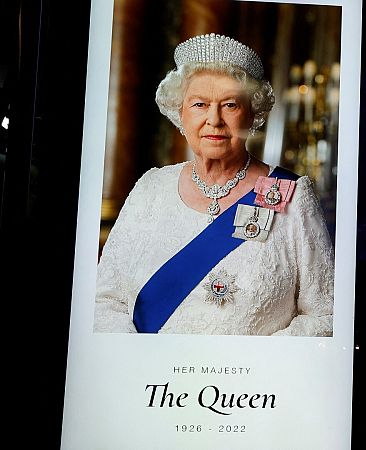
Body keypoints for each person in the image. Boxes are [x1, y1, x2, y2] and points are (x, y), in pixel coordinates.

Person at [93, 33, 333, 336]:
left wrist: (256, 364)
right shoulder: (149, 189)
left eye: (230, 105)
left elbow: (326, 314)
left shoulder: (292, 195)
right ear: (180, 113)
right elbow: (105, 301)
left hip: (251, 383)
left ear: (252, 114)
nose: (214, 120)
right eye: (199, 104)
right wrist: (142, 364)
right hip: (155, 383)